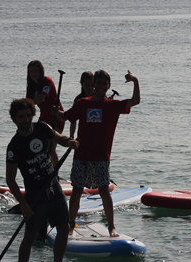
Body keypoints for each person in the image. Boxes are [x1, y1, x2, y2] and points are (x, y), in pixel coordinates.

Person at [54, 70, 140, 237]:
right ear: (94, 85)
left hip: (101, 156)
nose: (101, 86)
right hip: (81, 154)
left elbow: (135, 101)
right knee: (77, 190)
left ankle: (111, 227)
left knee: (104, 192)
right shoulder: (82, 103)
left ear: (108, 86)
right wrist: (56, 112)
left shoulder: (112, 106)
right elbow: (66, 117)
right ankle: (71, 225)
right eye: (98, 83)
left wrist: (135, 81)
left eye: (104, 83)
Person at [6, 98, 78, 262]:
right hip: (35, 196)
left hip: (54, 187)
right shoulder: (14, 146)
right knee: (29, 237)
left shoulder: (42, 128)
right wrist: (23, 204)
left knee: (63, 228)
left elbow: (59, 138)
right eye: (21, 117)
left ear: (33, 115)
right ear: (14, 119)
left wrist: (69, 141)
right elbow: (10, 180)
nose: (26, 119)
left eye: (28, 115)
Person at [26, 60, 65, 166]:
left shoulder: (47, 81)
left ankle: (55, 176)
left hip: (56, 117)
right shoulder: (30, 85)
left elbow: (41, 98)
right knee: (37, 146)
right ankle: (44, 172)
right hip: (43, 118)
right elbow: (28, 104)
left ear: (41, 71)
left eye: (36, 71)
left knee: (50, 147)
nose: (34, 74)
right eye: (31, 71)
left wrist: (25, 104)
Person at [68, 71, 94, 139]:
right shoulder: (78, 100)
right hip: (83, 133)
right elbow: (73, 120)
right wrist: (71, 136)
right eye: (87, 85)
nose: (90, 88)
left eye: (92, 85)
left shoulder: (100, 97)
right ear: (81, 84)